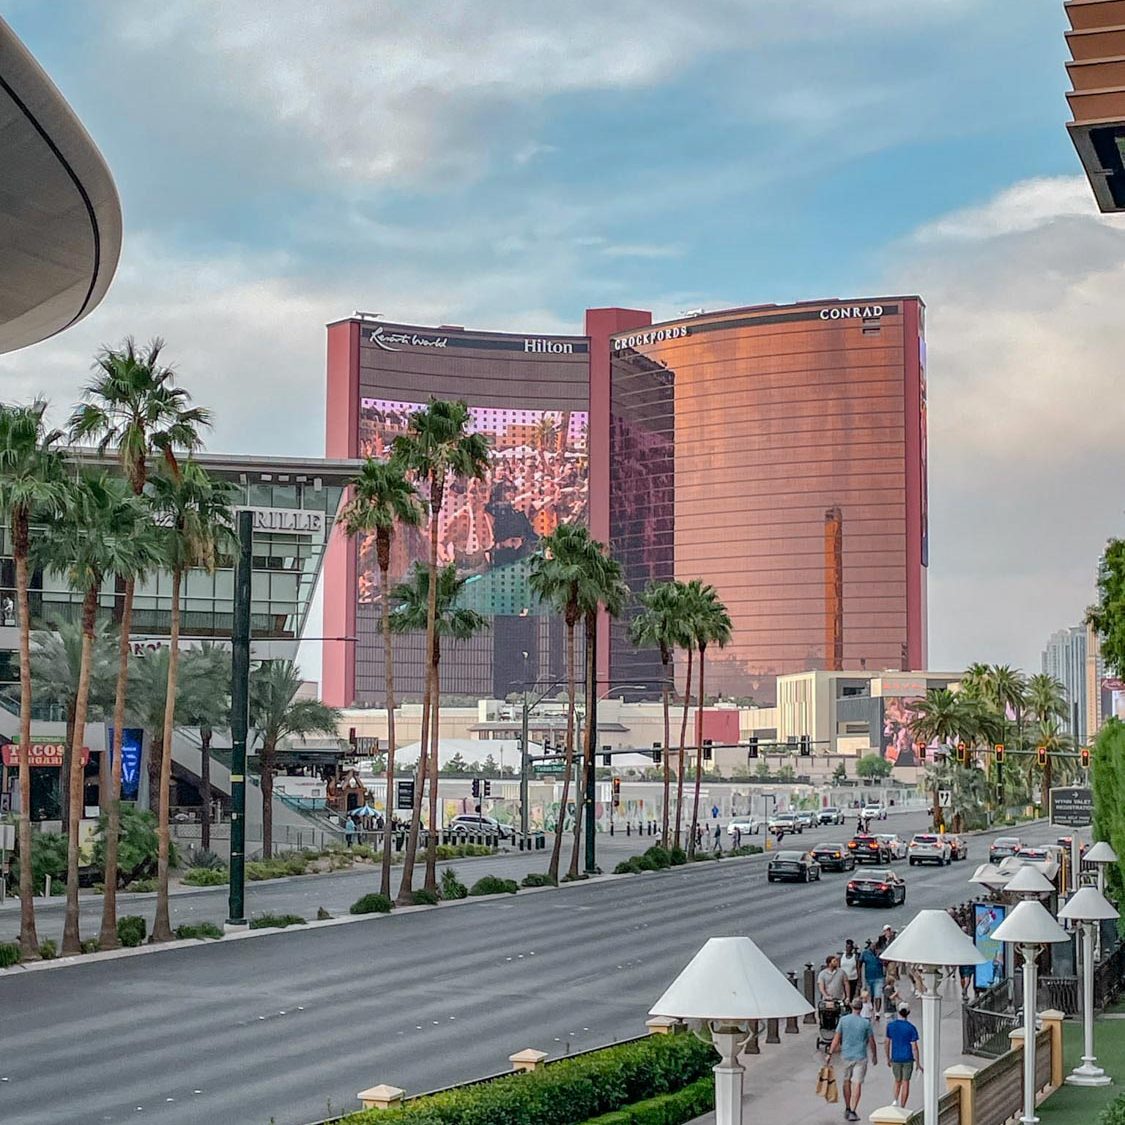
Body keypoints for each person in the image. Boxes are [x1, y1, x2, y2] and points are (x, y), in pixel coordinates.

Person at [828, 996, 878, 1122]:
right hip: (860, 1056)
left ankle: (847, 1107)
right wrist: (874, 1055)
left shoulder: (843, 1020)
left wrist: (830, 1053)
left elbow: (836, 1038)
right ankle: (853, 1110)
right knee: (857, 1084)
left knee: (846, 1082)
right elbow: (872, 1041)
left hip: (846, 1056)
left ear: (851, 1007)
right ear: (861, 1009)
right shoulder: (865, 1023)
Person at [885, 1002, 921, 1109]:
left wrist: (888, 1058)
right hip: (908, 1058)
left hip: (895, 1057)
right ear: (908, 1013)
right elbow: (914, 1047)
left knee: (897, 1080)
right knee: (906, 1082)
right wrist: (918, 1063)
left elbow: (887, 1043)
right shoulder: (911, 1028)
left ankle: (895, 1100)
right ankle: (903, 1105)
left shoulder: (891, 1026)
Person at [858, 940, 885, 1020]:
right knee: (870, 996)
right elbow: (859, 963)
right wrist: (859, 977)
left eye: (875, 946)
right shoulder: (865, 953)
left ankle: (877, 1012)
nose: (874, 948)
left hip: (879, 978)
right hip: (868, 978)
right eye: (872, 946)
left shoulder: (880, 953)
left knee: (878, 995)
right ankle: (871, 1008)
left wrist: (879, 957)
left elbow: (885, 963)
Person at [840, 939, 860, 1003]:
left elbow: (858, 968)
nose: (848, 949)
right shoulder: (842, 956)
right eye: (847, 947)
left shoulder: (855, 957)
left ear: (852, 948)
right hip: (843, 979)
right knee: (844, 995)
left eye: (849, 947)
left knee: (851, 994)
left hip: (853, 979)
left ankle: (849, 1005)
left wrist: (859, 980)